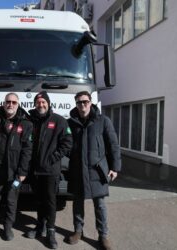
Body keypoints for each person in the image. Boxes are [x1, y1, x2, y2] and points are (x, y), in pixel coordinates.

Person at [67, 91, 121, 250]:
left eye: (85, 102)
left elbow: (113, 145)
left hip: (97, 171)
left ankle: (103, 235)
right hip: (77, 169)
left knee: (100, 204)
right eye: (79, 102)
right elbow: (66, 143)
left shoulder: (103, 121)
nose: (82, 105)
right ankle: (78, 231)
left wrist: (115, 167)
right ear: (76, 104)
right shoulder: (71, 123)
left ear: (91, 103)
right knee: (77, 202)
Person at [0, 93, 33, 242]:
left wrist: (22, 172)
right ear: (3, 103)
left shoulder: (26, 124)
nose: (10, 104)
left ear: (18, 104)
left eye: (14, 102)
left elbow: (27, 150)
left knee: (11, 201)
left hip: (14, 172)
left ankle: (7, 228)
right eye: (8, 102)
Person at [26, 91, 72, 249]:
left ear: (48, 103)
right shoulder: (31, 121)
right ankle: (40, 227)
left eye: (43, 102)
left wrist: (53, 159)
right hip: (35, 170)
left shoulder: (59, 121)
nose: (41, 105)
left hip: (51, 170)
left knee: (50, 201)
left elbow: (67, 143)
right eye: (38, 102)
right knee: (38, 200)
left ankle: (51, 231)